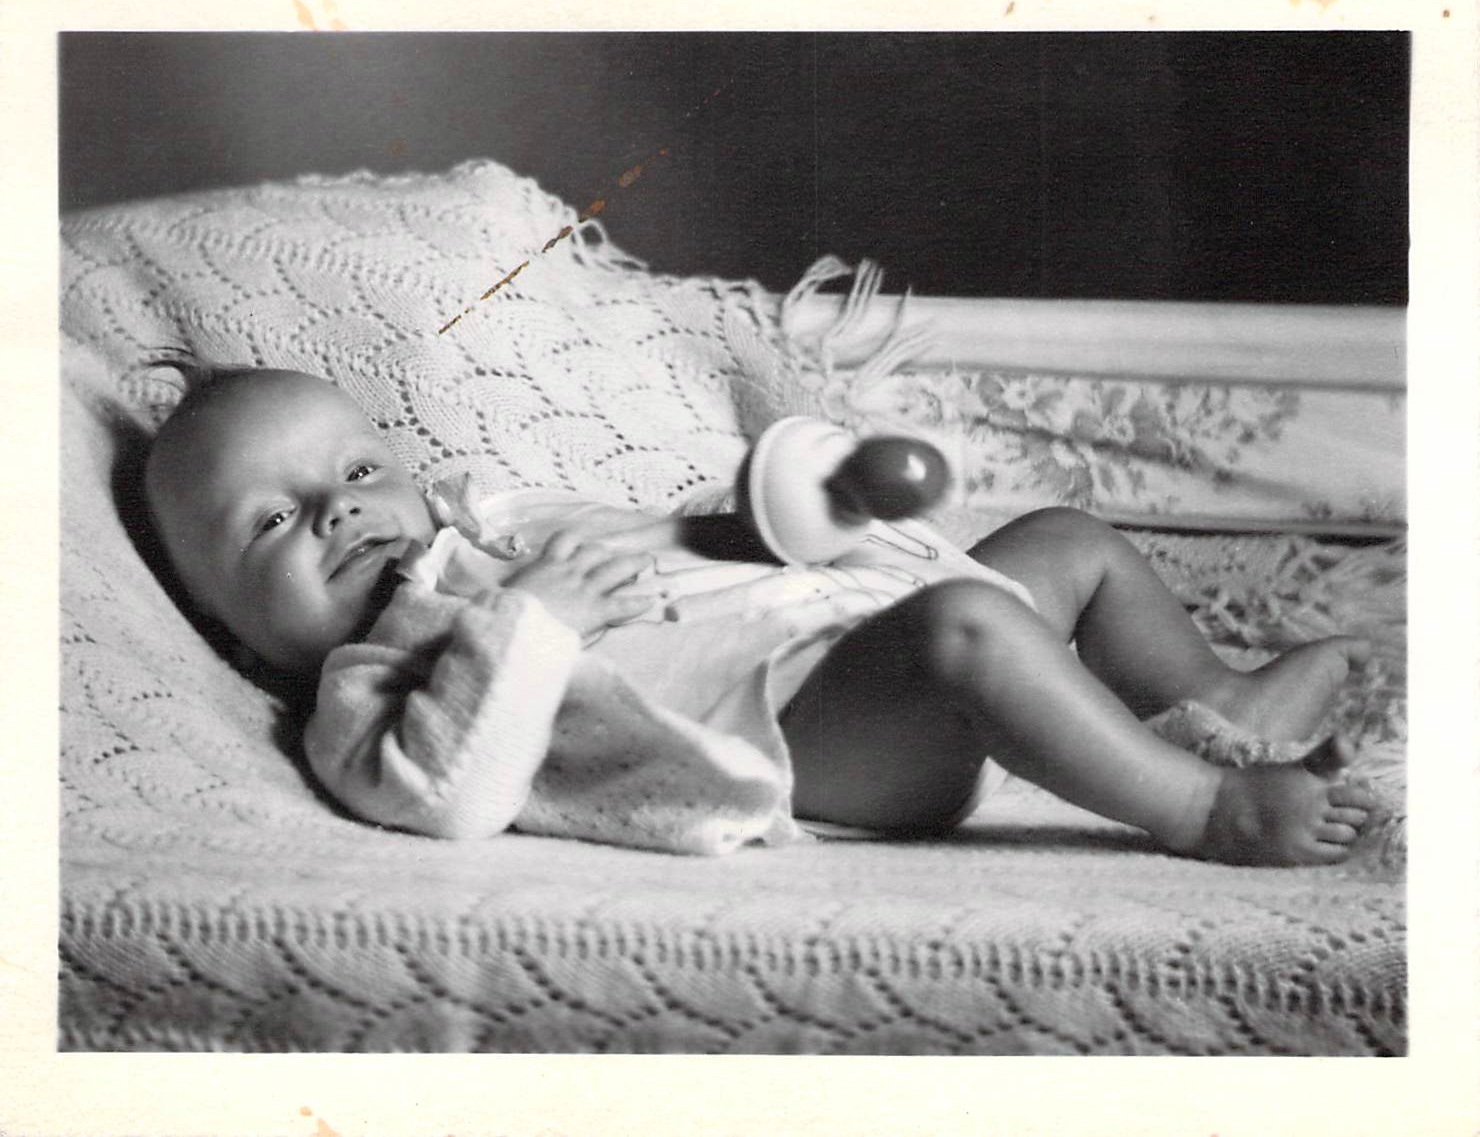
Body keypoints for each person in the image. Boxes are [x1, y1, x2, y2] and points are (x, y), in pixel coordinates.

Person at [143, 365, 1375, 864]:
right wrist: (530, 620)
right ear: (234, 635)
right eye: (273, 520)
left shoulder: (508, 523)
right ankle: (1204, 806)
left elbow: (681, 551)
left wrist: (778, 519)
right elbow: (445, 799)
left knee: (1063, 543)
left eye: (358, 472)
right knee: (967, 627)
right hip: (810, 734)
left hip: (844, 623)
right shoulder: (366, 681)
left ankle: (1216, 699)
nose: (340, 511)